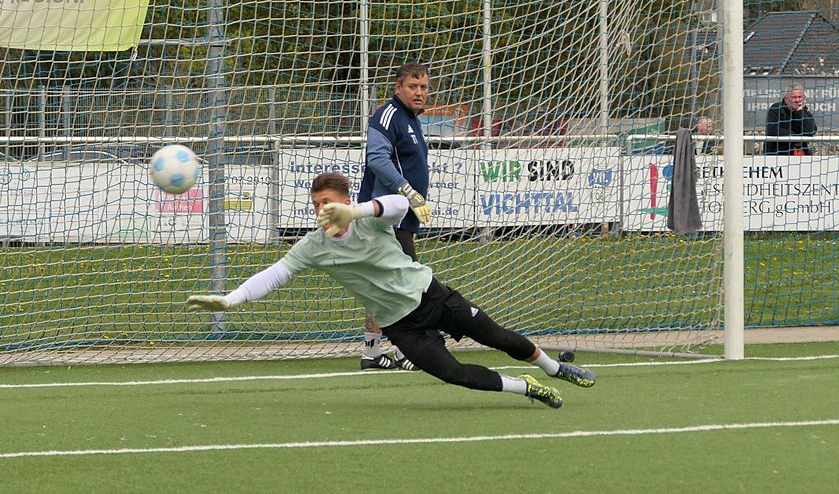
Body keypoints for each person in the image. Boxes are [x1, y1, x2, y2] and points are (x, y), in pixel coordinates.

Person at [186, 172, 596, 408]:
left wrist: (355, 211)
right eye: (316, 204)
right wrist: (230, 299)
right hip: (401, 326)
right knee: (453, 374)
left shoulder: (369, 217)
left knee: (500, 338)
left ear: (345, 201)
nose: (321, 210)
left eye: (328, 202)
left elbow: (401, 205)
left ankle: (555, 368)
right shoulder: (313, 245)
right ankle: (527, 387)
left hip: (431, 296)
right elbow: (275, 274)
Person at [356, 62, 433, 371]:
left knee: (386, 284)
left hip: (401, 220)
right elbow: (376, 158)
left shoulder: (411, 120)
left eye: (424, 87)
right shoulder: (388, 115)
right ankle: (405, 350)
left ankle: (372, 352)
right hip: (388, 219)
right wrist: (408, 191)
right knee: (408, 283)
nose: (419, 92)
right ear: (398, 88)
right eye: (412, 86)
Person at [764, 84, 817, 155]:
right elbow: (772, 129)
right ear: (786, 99)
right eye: (794, 97)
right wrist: (796, 139)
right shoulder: (776, 109)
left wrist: (800, 112)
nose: (797, 100)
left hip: (800, 154)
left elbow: (811, 131)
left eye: (800, 97)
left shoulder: (804, 111)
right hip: (777, 153)